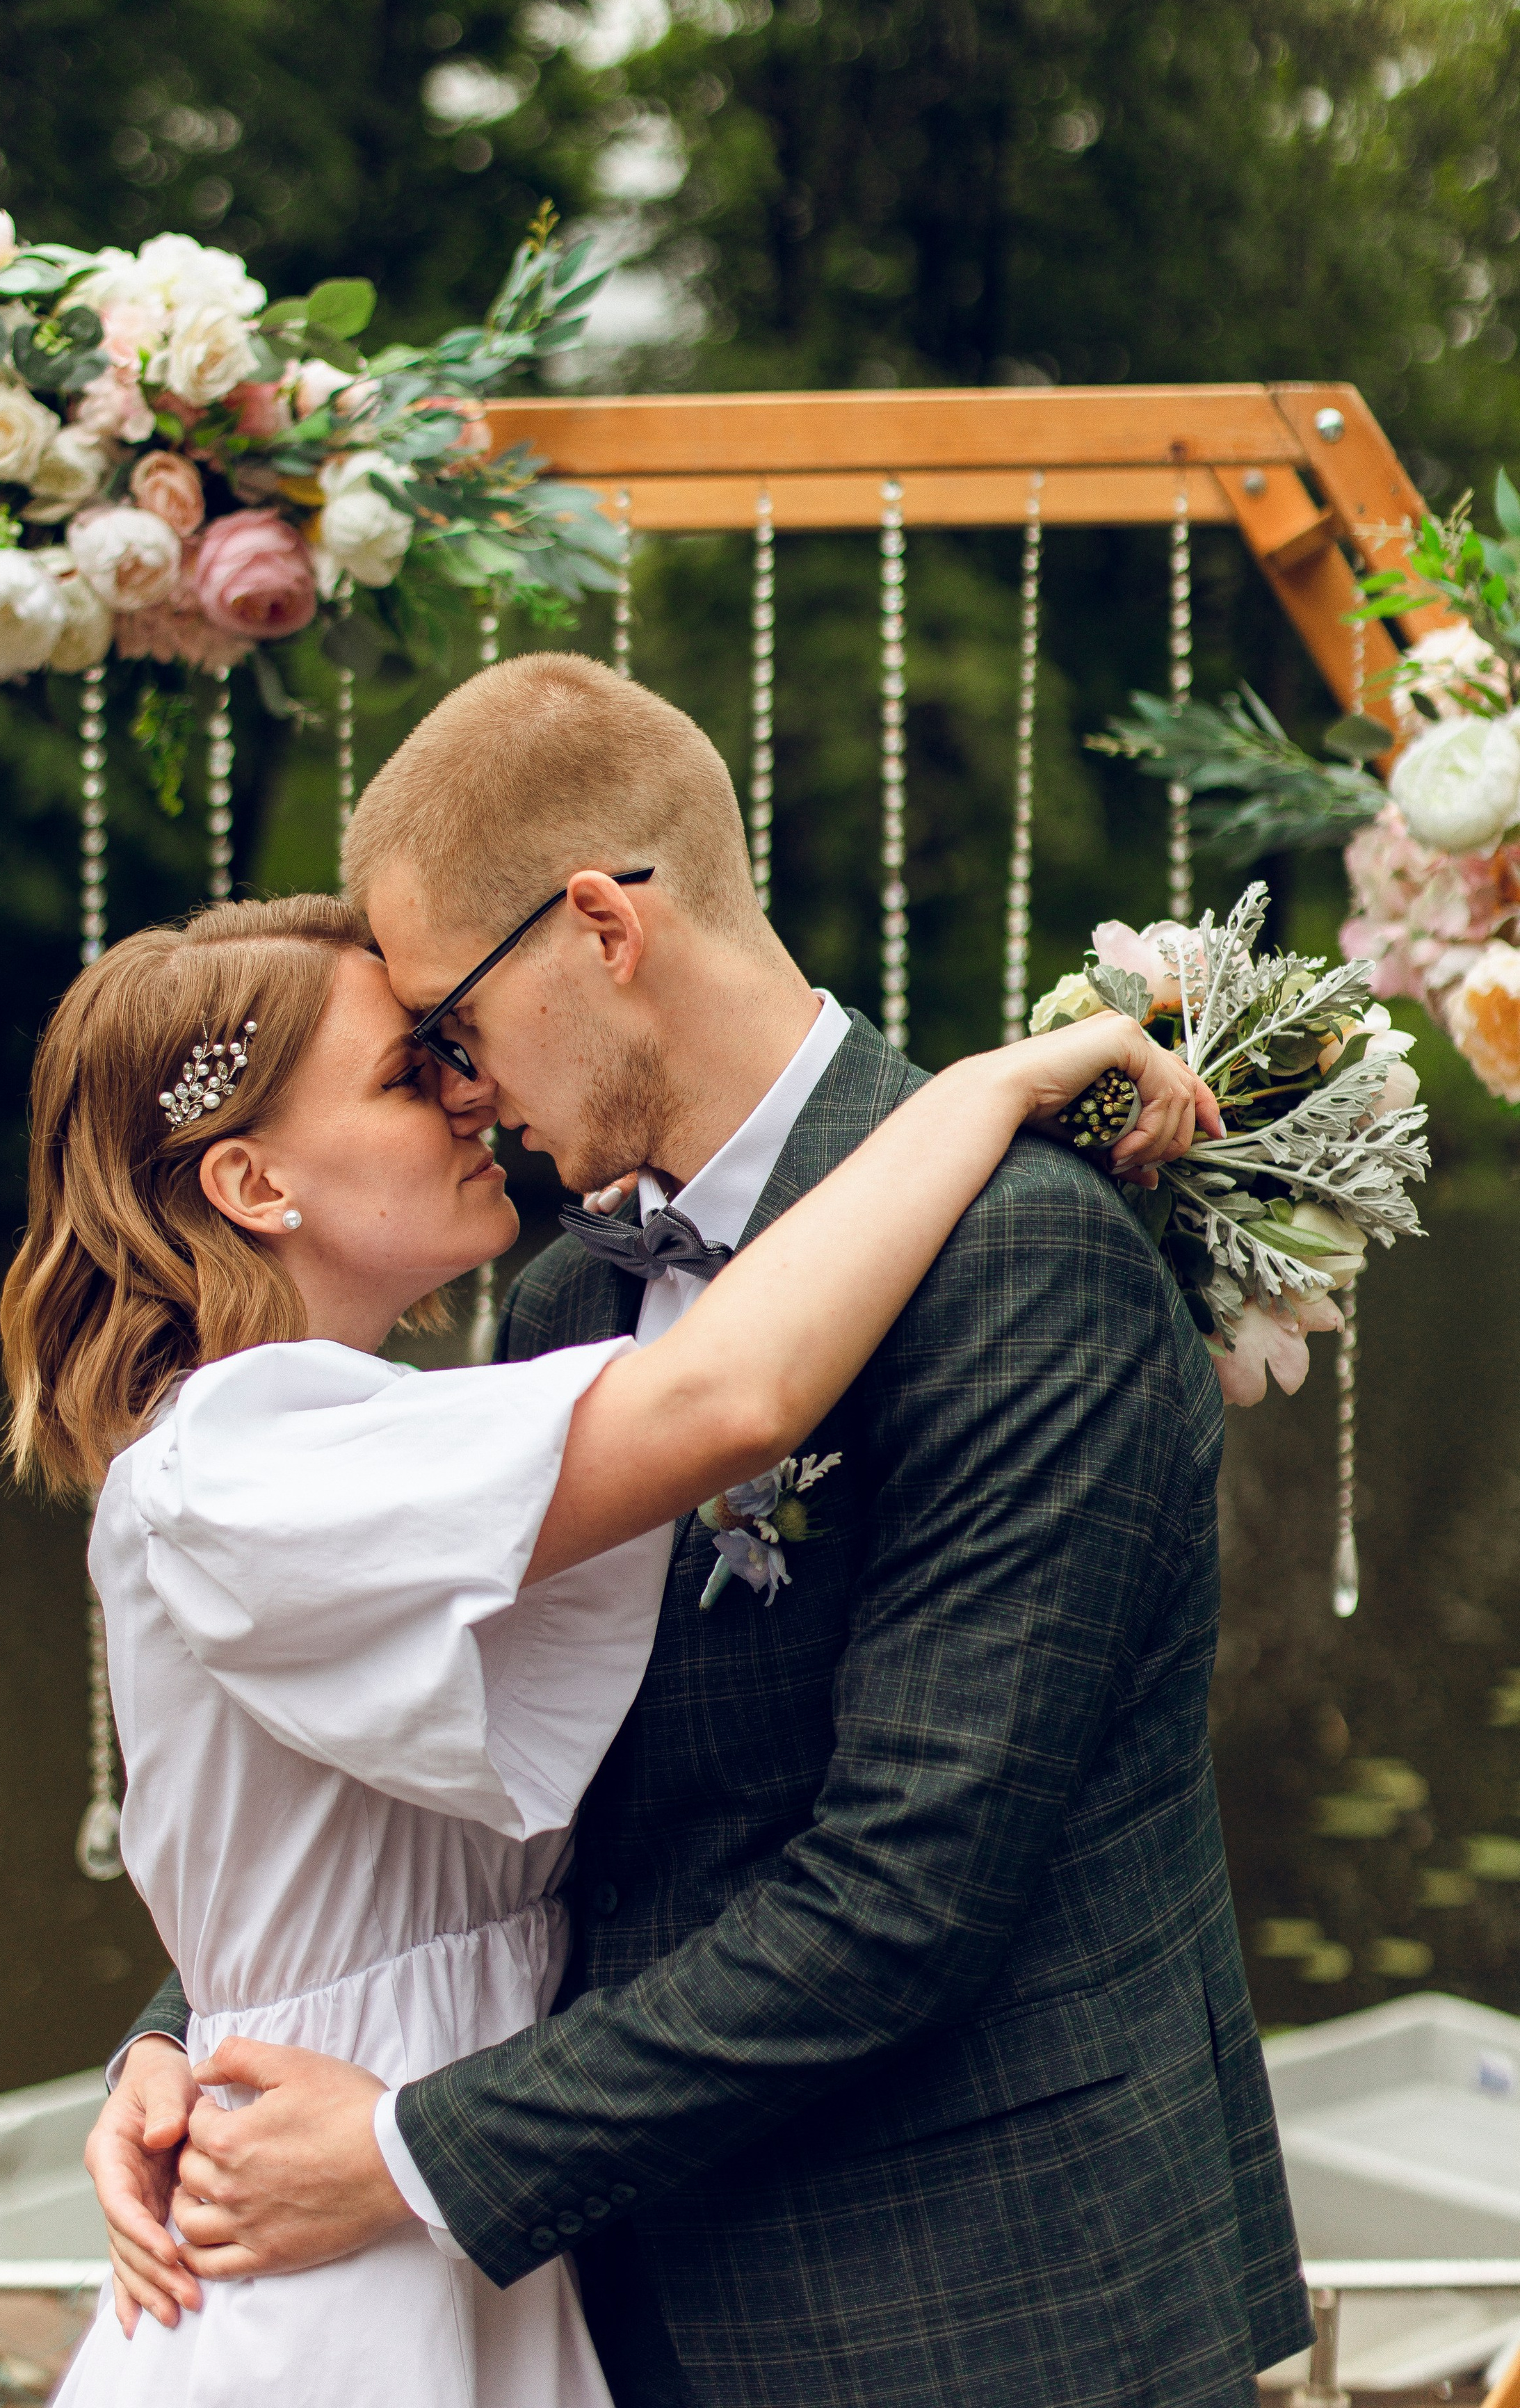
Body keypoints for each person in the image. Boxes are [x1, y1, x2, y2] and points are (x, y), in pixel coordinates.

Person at [86, 656, 1314, 2408]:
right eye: (416, 1056)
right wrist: (194, 2029)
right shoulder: (571, 1287)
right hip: (615, 2295)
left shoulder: (1023, 1259)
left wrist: (418, 2150)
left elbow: (906, 1892)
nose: (462, 1090)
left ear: (596, 928)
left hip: (978, 2307)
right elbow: (449, 1763)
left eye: (452, 1023)